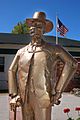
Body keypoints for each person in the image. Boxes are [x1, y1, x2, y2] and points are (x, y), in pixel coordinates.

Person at [8, 11, 78, 120]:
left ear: (44, 30)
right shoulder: (21, 52)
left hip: (43, 98)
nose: (34, 28)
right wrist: (13, 95)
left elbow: (72, 64)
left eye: (38, 26)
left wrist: (58, 91)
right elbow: (11, 70)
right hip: (24, 98)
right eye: (32, 25)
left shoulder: (54, 49)